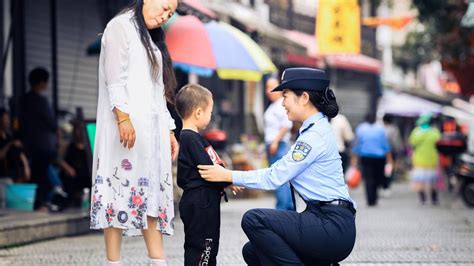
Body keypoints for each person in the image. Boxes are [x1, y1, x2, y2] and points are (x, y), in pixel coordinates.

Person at [199, 68, 356, 265]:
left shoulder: (314, 136)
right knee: (253, 251)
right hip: (323, 220)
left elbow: (274, 177)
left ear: (304, 97)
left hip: (331, 226)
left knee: (254, 219)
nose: (283, 104)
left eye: (286, 96)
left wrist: (228, 175)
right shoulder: (314, 130)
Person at [89, 1, 179, 265]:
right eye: (164, 8)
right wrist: (123, 118)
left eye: (170, 14)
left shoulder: (150, 39)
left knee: (150, 195)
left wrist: (170, 131)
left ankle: (158, 260)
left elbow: (157, 92)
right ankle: (113, 262)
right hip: (124, 135)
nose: (165, 16)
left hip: (151, 135)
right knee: (117, 195)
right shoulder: (120, 27)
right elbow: (113, 78)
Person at [175, 84, 240, 266]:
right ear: (198, 112)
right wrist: (227, 178)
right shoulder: (189, 138)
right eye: (209, 111)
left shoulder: (194, 138)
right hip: (200, 202)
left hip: (204, 201)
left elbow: (212, 165)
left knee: (207, 244)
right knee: (203, 247)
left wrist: (226, 179)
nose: (210, 115)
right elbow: (207, 168)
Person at [20, 67, 58, 211]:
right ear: (42, 82)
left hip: (29, 145)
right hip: (44, 146)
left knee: (36, 175)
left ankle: (36, 202)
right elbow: (52, 123)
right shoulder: (41, 101)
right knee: (42, 176)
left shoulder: (23, 100)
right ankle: (41, 203)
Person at [264, 77, 294, 210]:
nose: (268, 91)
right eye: (266, 88)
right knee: (278, 178)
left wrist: (275, 142)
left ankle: (283, 208)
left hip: (279, 144)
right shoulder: (272, 106)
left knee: (280, 178)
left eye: (271, 88)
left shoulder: (282, 104)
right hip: (273, 144)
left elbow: (286, 125)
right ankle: (286, 207)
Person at [351, 113, 392, 206]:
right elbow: (385, 145)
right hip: (379, 158)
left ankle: (370, 200)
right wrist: (389, 158)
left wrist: (354, 158)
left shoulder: (361, 128)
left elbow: (357, 145)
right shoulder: (381, 129)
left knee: (368, 178)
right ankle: (375, 198)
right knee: (377, 178)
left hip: (366, 157)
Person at [409, 113, 441, 205]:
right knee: (432, 180)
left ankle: (423, 199)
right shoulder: (434, 132)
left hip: (419, 160)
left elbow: (412, 143)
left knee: (420, 180)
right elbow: (439, 143)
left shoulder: (416, 132)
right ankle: (434, 199)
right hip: (432, 159)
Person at [0, 108, 30, 182]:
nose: (7, 121)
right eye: (5, 119)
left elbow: (20, 153)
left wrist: (26, 166)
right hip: (3, 175)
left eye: (8, 119)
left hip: (14, 174)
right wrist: (10, 144)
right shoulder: (8, 141)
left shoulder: (9, 136)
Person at [382, 114, 403, 196]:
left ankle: (382, 185)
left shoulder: (380, 128)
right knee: (389, 170)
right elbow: (396, 142)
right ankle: (387, 186)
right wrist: (398, 150)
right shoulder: (394, 129)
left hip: (380, 153)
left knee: (381, 169)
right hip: (390, 153)